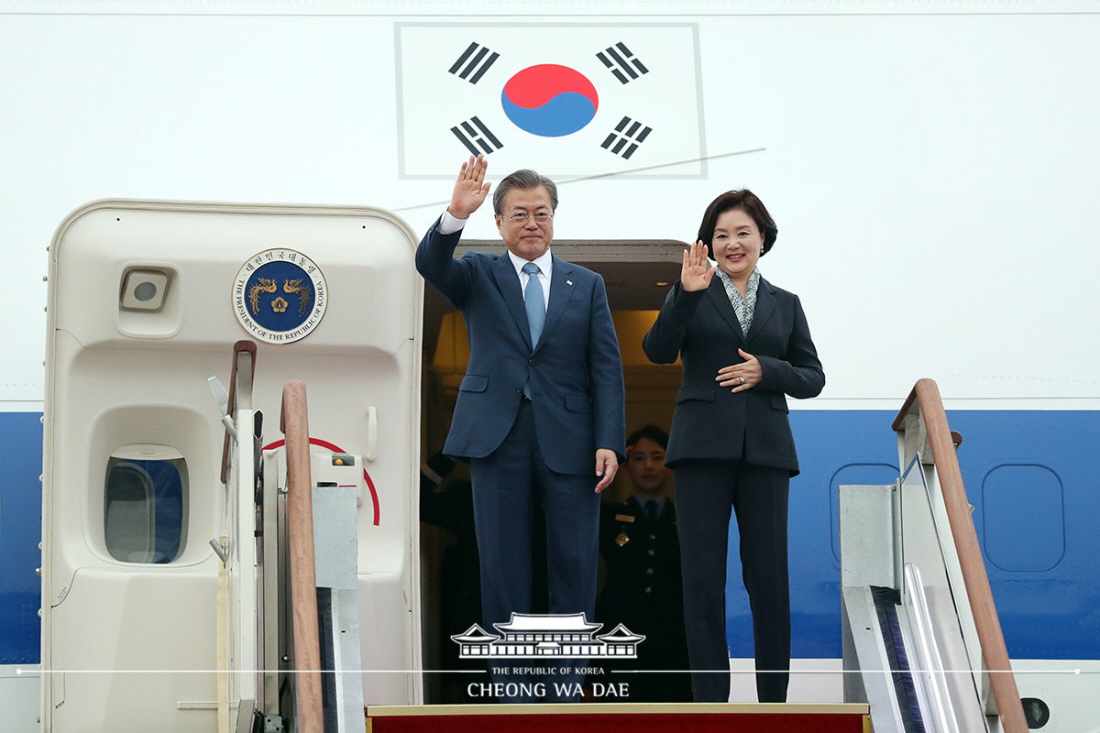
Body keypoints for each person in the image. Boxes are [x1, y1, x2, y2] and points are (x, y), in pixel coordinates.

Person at [415, 155, 626, 702]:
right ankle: (512, 688)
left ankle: (565, 687)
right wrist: (453, 215)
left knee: (575, 561)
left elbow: (605, 369)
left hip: (572, 440)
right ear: (499, 222)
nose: (531, 223)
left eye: (541, 213)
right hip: (496, 436)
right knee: (502, 561)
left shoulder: (588, 283)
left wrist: (609, 440)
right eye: (518, 214)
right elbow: (431, 265)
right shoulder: (478, 273)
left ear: (554, 218)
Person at [642, 190, 824, 703]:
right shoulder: (692, 291)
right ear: (709, 245)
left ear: (762, 238)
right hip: (701, 452)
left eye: (742, 232)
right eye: (721, 235)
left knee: (768, 582)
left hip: (765, 453)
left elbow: (813, 377)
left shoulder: (785, 304)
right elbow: (656, 351)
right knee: (702, 581)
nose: (732, 243)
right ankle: (710, 705)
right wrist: (684, 294)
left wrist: (769, 370)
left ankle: (773, 704)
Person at [594, 425, 691, 702]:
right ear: (625, 464)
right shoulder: (608, 516)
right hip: (619, 635)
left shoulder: (687, 518)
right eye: (638, 458)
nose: (648, 466)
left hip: (673, 637)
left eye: (658, 457)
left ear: (670, 462)